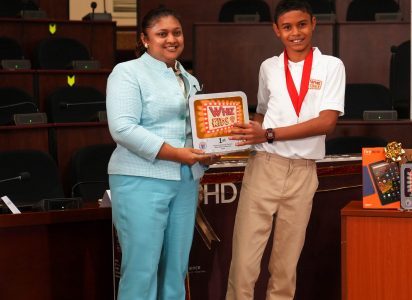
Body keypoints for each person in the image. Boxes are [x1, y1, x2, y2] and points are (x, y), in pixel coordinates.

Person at [226, 0, 345, 299]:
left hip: (304, 172)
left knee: (285, 268)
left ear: (313, 24)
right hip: (265, 166)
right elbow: (262, 113)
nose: (296, 33)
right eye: (288, 27)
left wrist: (267, 133)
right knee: (243, 264)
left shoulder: (331, 66)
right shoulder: (268, 67)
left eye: (302, 25)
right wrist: (240, 136)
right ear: (276, 30)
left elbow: (326, 122)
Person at [106, 6, 219, 300]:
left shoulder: (188, 78)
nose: (172, 39)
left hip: (185, 180)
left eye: (177, 32)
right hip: (140, 178)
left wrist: (210, 150)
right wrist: (177, 154)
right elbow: (122, 129)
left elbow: (194, 127)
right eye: (162, 34)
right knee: (141, 269)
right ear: (145, 39)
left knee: (176, 269)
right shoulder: (127, 72)